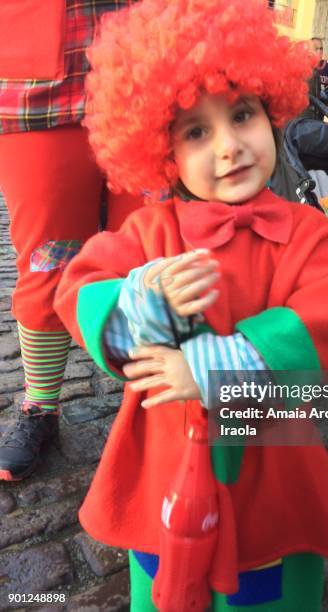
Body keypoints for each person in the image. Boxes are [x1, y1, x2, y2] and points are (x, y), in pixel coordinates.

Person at [55, 0, 328, 609]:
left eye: (242, 115)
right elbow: (82, 289)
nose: (228, 147)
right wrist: (144, 302)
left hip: (270, 470)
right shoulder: (148, 234)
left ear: (272, 112)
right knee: (166, 589)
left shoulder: (315, 239)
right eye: (197, 131)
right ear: (163, 153)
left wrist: (210, 369)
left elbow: (321, 326)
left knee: (268, 593)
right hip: (164, 470)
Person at [0, 0, 144, 481]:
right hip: (34, 75)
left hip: (154, 54)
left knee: (156, 255)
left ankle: (151, 406)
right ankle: (40, 406)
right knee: (45, 259)